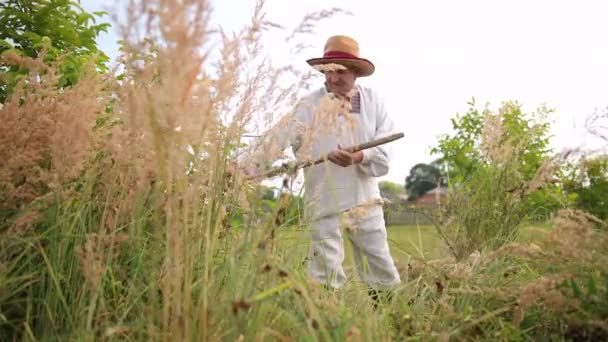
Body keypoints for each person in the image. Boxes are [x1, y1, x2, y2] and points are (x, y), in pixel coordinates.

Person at [239, 35, 401, 299]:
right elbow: (273, 140)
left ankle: (388, 325)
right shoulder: (307, 105)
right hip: (322, 197)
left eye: (341, 71)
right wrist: (238, 167)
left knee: (379, 263)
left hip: (364, 200)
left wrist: (359, 156)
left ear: (356, 72)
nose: (333, 78)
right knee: (324, 269)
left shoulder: (373, 101)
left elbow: (386, 148)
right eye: (328, 71)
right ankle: (327, 325)